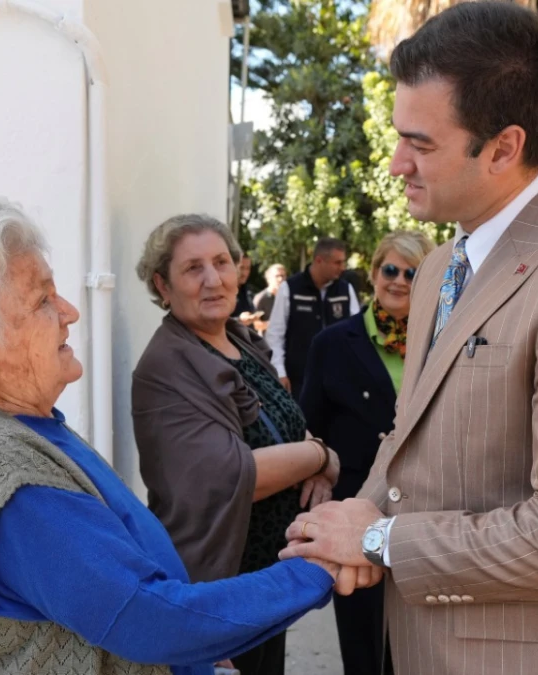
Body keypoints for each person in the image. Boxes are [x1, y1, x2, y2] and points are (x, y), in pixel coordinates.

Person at [280, 4, 538, 674]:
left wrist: (378, 538)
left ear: (504, 147)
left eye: (422, 143)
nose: (394, 163)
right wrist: (356, 518)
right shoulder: (442, 261)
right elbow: (410, 439)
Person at [0, 201, 344, 675]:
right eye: (42, 301)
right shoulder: (11, 483)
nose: (70, 311)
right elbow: (151, 620)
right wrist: (319, 569)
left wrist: (201, 648)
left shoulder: (16, 423)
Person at [131, 214, 343, 675]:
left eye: (222, 262)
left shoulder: (239, 341)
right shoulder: (167, 367)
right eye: (192, 269)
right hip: (217, 590)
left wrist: (309, 458)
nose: (213, 280)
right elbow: (228, 475)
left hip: (266, 585)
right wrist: (322, 456)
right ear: (162, 285)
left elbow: (288, 425)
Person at [298, 230, 435, 675]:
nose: (399, 281)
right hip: (356, 509)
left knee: (421, 640)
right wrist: (319, 466)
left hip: (429, 513)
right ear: (374, 274)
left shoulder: (447, 342)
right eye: (390, 270)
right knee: (362, 640)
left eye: (412, 273)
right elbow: (310, 424)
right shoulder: (333, 344)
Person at [265, 238, 360, 396]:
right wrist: (280, 372)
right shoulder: (290, 288)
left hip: (339, 380)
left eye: (343, 262)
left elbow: (357, 333)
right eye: (337, 263)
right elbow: (275, 335)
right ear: (319, 260)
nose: (342, 268)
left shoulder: (345, 289)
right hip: (299, 382)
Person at [254, 263, 286, 334]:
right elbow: (255, 325)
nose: (280, 279)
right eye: (277, 276)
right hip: (267, 342)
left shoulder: (286, 297)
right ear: (268, 279)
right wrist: (275, 324)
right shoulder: (261, 298)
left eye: (282, 276)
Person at [231, 252, 258, 325]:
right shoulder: (223, 291)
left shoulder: (249, 291)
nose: (244, 273)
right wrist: (238, 320)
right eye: (241, 268)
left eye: (247, 268)